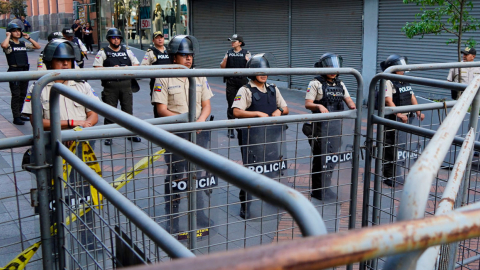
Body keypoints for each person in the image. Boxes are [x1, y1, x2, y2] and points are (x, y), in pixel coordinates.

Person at [22, 39, 100, 250]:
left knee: (84, 194)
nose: (66, 64)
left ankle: (88, 240)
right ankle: (54, 242)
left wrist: (86, 126)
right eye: (60, 60)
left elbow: (93, 113)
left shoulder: (81, 84)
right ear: (49, 62)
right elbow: (36, 121)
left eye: (68, 60)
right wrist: (72, 124)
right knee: (53, 197)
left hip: (80, 149)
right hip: (51, 151)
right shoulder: (38, 86)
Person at [151, 35, 214, 233]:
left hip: (198, 132)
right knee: (176, 177)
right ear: (174, 57)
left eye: (190, 55)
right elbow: (161, 109)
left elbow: (207, 105)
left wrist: (201, 120)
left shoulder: (199, 75)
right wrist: (184, 122)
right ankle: (173, 219)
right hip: (177, 135)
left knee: (197, 175)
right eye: (183, 55)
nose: (188, 59)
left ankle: (200, 214)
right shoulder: (164, 77)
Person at [232, 53, 289, 219]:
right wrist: (256, 113)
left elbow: (285, 108)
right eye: (259, 71)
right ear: (252, 72)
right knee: (251, 172)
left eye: (265, 71)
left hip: (271, 136)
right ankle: (246, 205)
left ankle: (271, 198)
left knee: (271, 169)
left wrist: (279, 111)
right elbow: (236, 111)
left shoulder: (273, 89)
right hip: (252, 138)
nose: (263, 74)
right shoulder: (245, 90)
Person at [304, 53, 356, 201]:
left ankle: (326, 187)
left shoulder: (340, 84)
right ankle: (317, 190)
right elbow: (308, 103)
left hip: (336, 127)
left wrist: (352, 106)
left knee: (332, 159)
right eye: (329, 68)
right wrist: (319, 105)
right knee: (320, 159)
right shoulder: (315, 83)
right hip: (320, 128)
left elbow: (348, 100)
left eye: (335, 68)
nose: (333, 71)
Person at [381, 54, 425, 187]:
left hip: (405, 119)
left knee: (401, 147)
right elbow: (388, 100)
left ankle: (397, 174)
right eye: (400, 67)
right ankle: (389, 176)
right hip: (393, 119)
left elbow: (411, 96)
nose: (403, 69)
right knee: (391, 147)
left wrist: (418, 111)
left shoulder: (403, 80)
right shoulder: (388, 81)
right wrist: (398, 113)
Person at [93, 28, 141, 145]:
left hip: (126, 85)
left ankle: (131, 134)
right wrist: (110, 69)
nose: (116, 40)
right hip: (111, 86)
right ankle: (108, 136)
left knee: (128, 112)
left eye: (118, 38)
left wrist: (126, 69)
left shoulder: (127, 51)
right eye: (113, 38)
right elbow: (96, 68)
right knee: (110, 112)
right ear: (109, 39)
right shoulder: (103, 51)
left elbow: (136, 64)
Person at [1, 22, 40, 125]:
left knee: (23, 94)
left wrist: (28, 38)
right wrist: (8, 36)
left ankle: (20, 114)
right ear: (10, 32)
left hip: (24, 71)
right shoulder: (9, 43)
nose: (17, 33)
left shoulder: (23, 44)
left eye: (19, 31)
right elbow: (3, 45)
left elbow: (37, 46)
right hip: (14, 72)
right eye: (14, 31)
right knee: (16, 95)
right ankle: (16, 117)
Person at [220, 34, 251, 138]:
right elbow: (222, 67)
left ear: (240, 43)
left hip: (242, 82)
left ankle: (242, 127)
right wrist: (225, 59)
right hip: (231, 82)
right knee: (231, 105)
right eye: (231, 41)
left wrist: (248, 61)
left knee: (244, 105)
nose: (232, 43)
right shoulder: (228, 53)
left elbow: (251, 67)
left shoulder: (246, 53)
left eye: (234, 41)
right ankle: (231, 129)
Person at [141, 31, 170, 118]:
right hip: (157, 84)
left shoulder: (169, 51)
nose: (160, 39)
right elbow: (143, 67)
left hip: (170, 82)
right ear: (153, 40)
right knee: (158, 105)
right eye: (157, 38)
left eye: (161, 37)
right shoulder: (150, 52)